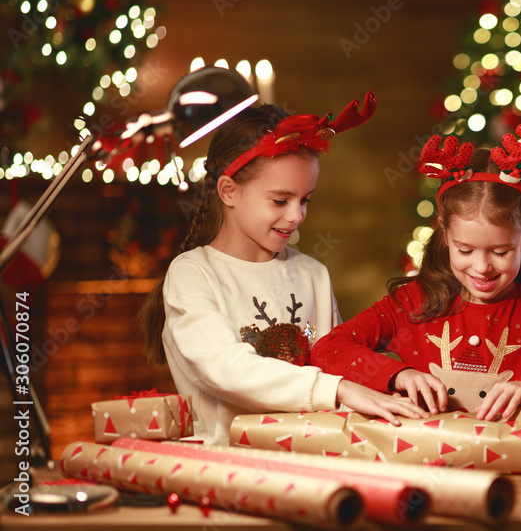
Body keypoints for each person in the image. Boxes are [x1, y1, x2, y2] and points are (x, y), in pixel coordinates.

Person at [136, 99, 427, 445]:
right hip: (224, 467)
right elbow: (227, 369)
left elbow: (334, 362)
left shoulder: (312, 273)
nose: (297, 215)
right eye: (280, 200)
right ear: (229, 191)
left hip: (311, 458)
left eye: (305, 200)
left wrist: (389, 383)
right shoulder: (192, 274)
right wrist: (337, 388)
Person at [309, 125, 521, 421]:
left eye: (500, 252)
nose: (482, 267)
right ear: (445, 234)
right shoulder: (411, 302)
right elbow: (329, 349)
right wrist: (399, 375)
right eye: (466, 251)